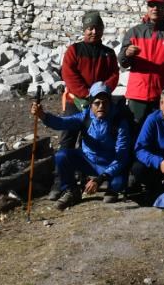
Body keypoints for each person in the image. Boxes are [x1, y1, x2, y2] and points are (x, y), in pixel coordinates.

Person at [52, 10, 121, 199]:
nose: (93, 32)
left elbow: (114, 75)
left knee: (94, 139)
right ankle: (60, 183)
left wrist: (101, 93)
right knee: (67, 139)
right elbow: (69, 75)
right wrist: (86, 95)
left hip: (99, 103)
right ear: (84, 30)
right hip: (75, 101)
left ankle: (88, 177)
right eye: (90, 28)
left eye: (97, 28)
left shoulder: (107, 53)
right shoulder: (74, 50)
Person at [32, 82, 133, 210]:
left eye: (105, 102)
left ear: (110, 103)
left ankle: (111, 187)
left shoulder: (119, 122)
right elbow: (62, 123)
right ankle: (71, 190)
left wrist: (100, 179)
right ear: (91, 104)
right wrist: (43, 115)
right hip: (88, 160)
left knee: (117, 185)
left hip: (109, 164)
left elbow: (122, 157)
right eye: (97, 103)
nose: (101, 106)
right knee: (62, 156)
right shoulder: (85, 116)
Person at [119, 0, 164, 128]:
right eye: (152, 5)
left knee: (159, 132)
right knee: (134, 131)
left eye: (159, 5)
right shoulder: (134, 32)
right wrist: (127, 54)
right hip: (137, 95)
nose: (155, 9)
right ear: (147, 8)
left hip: (162, 96)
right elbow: (123, 62)